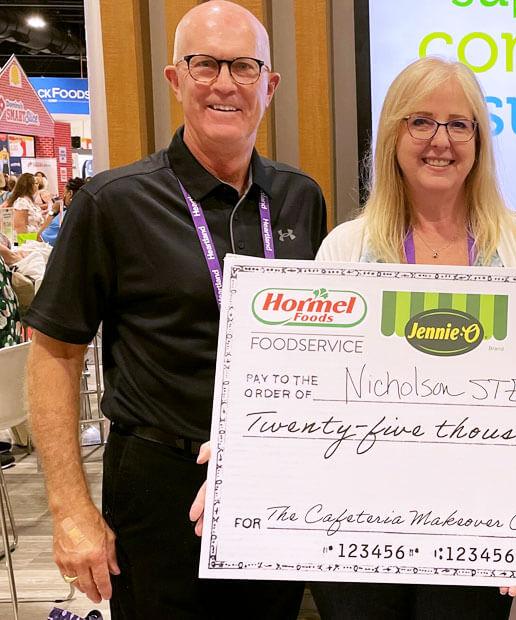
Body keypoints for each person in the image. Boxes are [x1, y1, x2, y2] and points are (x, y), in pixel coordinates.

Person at [190, 55, 516, 619]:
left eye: (459, 124)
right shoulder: (346, 246)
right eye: (420, 122)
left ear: (479, 140)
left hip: (476, 524)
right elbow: (309, 379)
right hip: (357, 520)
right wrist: (248, 447)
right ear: (392, 134)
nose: (441, 140)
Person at [25, 2, 327, 617]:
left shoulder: (301, 198)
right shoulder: (114, 202)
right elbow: (54, 356)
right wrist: (71, 510)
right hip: (159, 481)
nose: (224, 83)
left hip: (273, 475)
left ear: (268, 86)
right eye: (204, 64)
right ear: (175, 79)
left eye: (243, 67)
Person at [38, 177, 87, 246]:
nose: (62, 196)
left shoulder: (63, 217)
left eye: (64, 192)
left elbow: (40, 238)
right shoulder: (87, 212)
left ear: (70, 193)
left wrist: (52, 212)